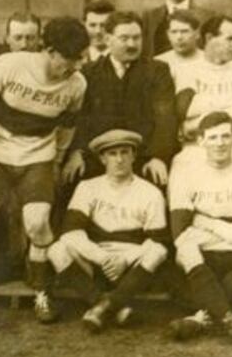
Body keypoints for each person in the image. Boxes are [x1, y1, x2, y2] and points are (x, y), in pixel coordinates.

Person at [0, 17, 89, 328]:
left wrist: (57, 159)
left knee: (38, 223)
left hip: (37, 157)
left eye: (80, 57)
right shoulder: (9, 65)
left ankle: (41, 293)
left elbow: (68, 126)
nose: (75, 65)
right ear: (49, 51)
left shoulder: (77, 84)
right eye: (69, 58)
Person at [48, 129, 168, 332]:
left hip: (130, 267)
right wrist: (102, 258)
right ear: (103, 159)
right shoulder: (88, 187)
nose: (119, 159)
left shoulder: (150, 192)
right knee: (57, 250)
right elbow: (71, 232)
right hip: (96, 261)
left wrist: (125, 260)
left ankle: (103, 307)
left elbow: (158, 240)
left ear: (134, 156)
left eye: (124, 152)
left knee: (159, 252)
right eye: (112, 154)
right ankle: (109, 303)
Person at [167, 112, 232, 344]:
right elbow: (181, 233)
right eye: (212, 138)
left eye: (225, 136)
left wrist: (207, 223)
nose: (220, 143)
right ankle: (230, 319)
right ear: (201, 141)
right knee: (186, 249)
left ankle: (200, 319)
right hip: (202, 261)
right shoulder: (186, 173)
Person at [62, 11, 178, 190]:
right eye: (124, 38)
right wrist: (77, 152)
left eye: (137, 38)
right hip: (98, 158)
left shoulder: (157, 71)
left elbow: (166, 118)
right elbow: (80, 118)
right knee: (71, 180)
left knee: (158, 182)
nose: (132, 44)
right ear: (108, 39)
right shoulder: (89, 73)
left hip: (142, 158)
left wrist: (158, 157)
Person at [171, 14, 232, 170]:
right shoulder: (187, 71)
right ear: (209, 38)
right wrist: (230, 104)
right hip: (197, 146)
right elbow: (184, 110)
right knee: (182, 166)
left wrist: (196, 119)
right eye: (230, 39)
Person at [155, 9, 204, 78]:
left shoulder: (209, 61)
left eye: (185, 31)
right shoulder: (158, 63)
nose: (179, 37)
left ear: (197, 34)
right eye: (174, 32)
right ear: (168, 35)